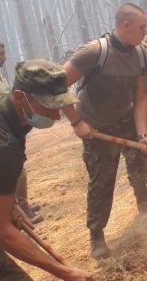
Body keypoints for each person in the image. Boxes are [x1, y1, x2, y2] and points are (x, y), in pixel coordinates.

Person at [61, 4, 147, 260]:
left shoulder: (141, 54)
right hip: (96, 124)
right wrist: (76, 122)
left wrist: (143, 135)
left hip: (127, 117)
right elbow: (57, 85)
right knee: (102, 181)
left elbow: (141, 96)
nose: (146, 32)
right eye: (142, 27)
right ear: (125, 25)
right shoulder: (94, 52)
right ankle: (96, 237)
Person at [0, 59, 94, 281]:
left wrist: (9, 203)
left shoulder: (11, 117)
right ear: (20, 97)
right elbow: (4, 232)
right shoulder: (5, 146)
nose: (55, 116)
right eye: (49, 106)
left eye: (59, 106)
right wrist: (65, 272)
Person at [0, 42, 43, 224]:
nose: (5, 57)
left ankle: (21, 204)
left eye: (4, 52)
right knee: (16, 171)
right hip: (3, 129)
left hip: (9, 125)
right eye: (0, 53)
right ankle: (20, 209)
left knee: (19, 168)